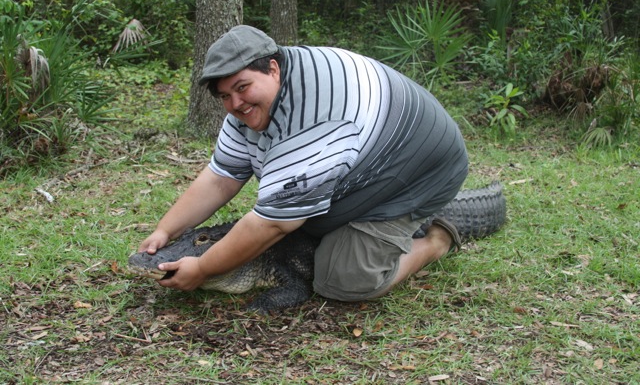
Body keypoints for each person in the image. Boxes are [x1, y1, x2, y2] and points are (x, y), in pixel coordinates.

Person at [138, 25, 469, 302]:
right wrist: (166, 230)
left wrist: (204, 269)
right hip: (363, 162)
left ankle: (435, 241)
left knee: (344, 279)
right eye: (225, 96)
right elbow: (221, 177)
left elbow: (273, 224)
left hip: (416, 170)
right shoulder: (253, 104)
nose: (235, 104)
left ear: (273, 68)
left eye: (242, 88)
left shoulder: (312, 115)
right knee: (312, 228)